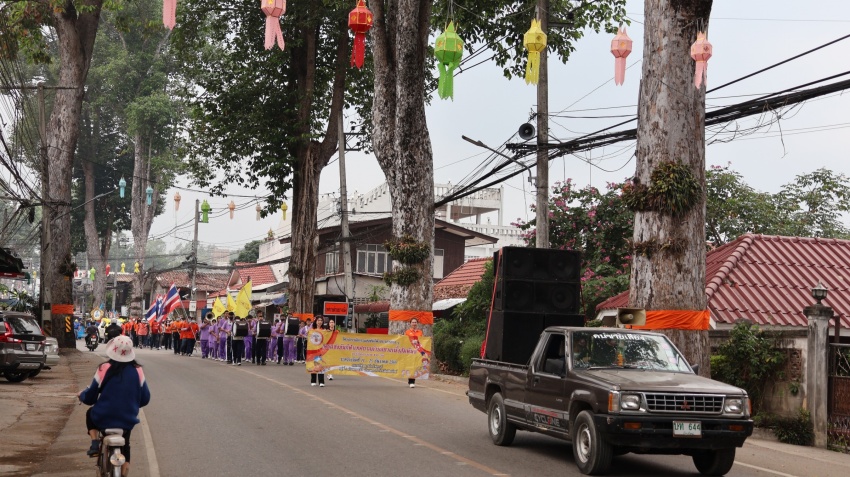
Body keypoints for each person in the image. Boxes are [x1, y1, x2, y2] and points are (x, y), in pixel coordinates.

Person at [78, 335, 150, 477]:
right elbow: (145, 399)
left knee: (90, 413)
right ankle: (123, 473)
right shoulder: (138, 370)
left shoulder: (104, 368)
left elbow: (91, 397)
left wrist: (82, 395)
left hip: (103, 417)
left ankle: (94, 442)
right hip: (127, 419)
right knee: (126, 445)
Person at [404, 318, 423, 388]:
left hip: (418, 352)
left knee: (416, 366)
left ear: (417, 323)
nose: (414, 323)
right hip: (410, 352)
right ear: (410, 323)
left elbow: (423, 341)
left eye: (415, 322)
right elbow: (404, 340)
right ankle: (411, 382)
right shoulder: (407, 332)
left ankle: (412, 380)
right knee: (411, 366)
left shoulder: (420, 332)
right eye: (413, 322)